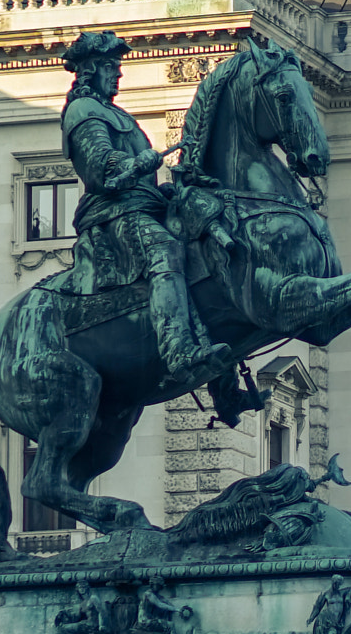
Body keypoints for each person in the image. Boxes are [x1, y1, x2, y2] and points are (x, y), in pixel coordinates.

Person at [60, 31, 228, 382]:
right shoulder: (83, 109)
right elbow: (99, 167)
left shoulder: (115, 112)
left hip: (142, 205)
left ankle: (225, 385)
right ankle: (178, 351)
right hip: (113, 214)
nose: (118, 74)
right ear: (90, 69)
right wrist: (138, 164)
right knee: (165, 249)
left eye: (117, 67)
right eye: (110, 66)